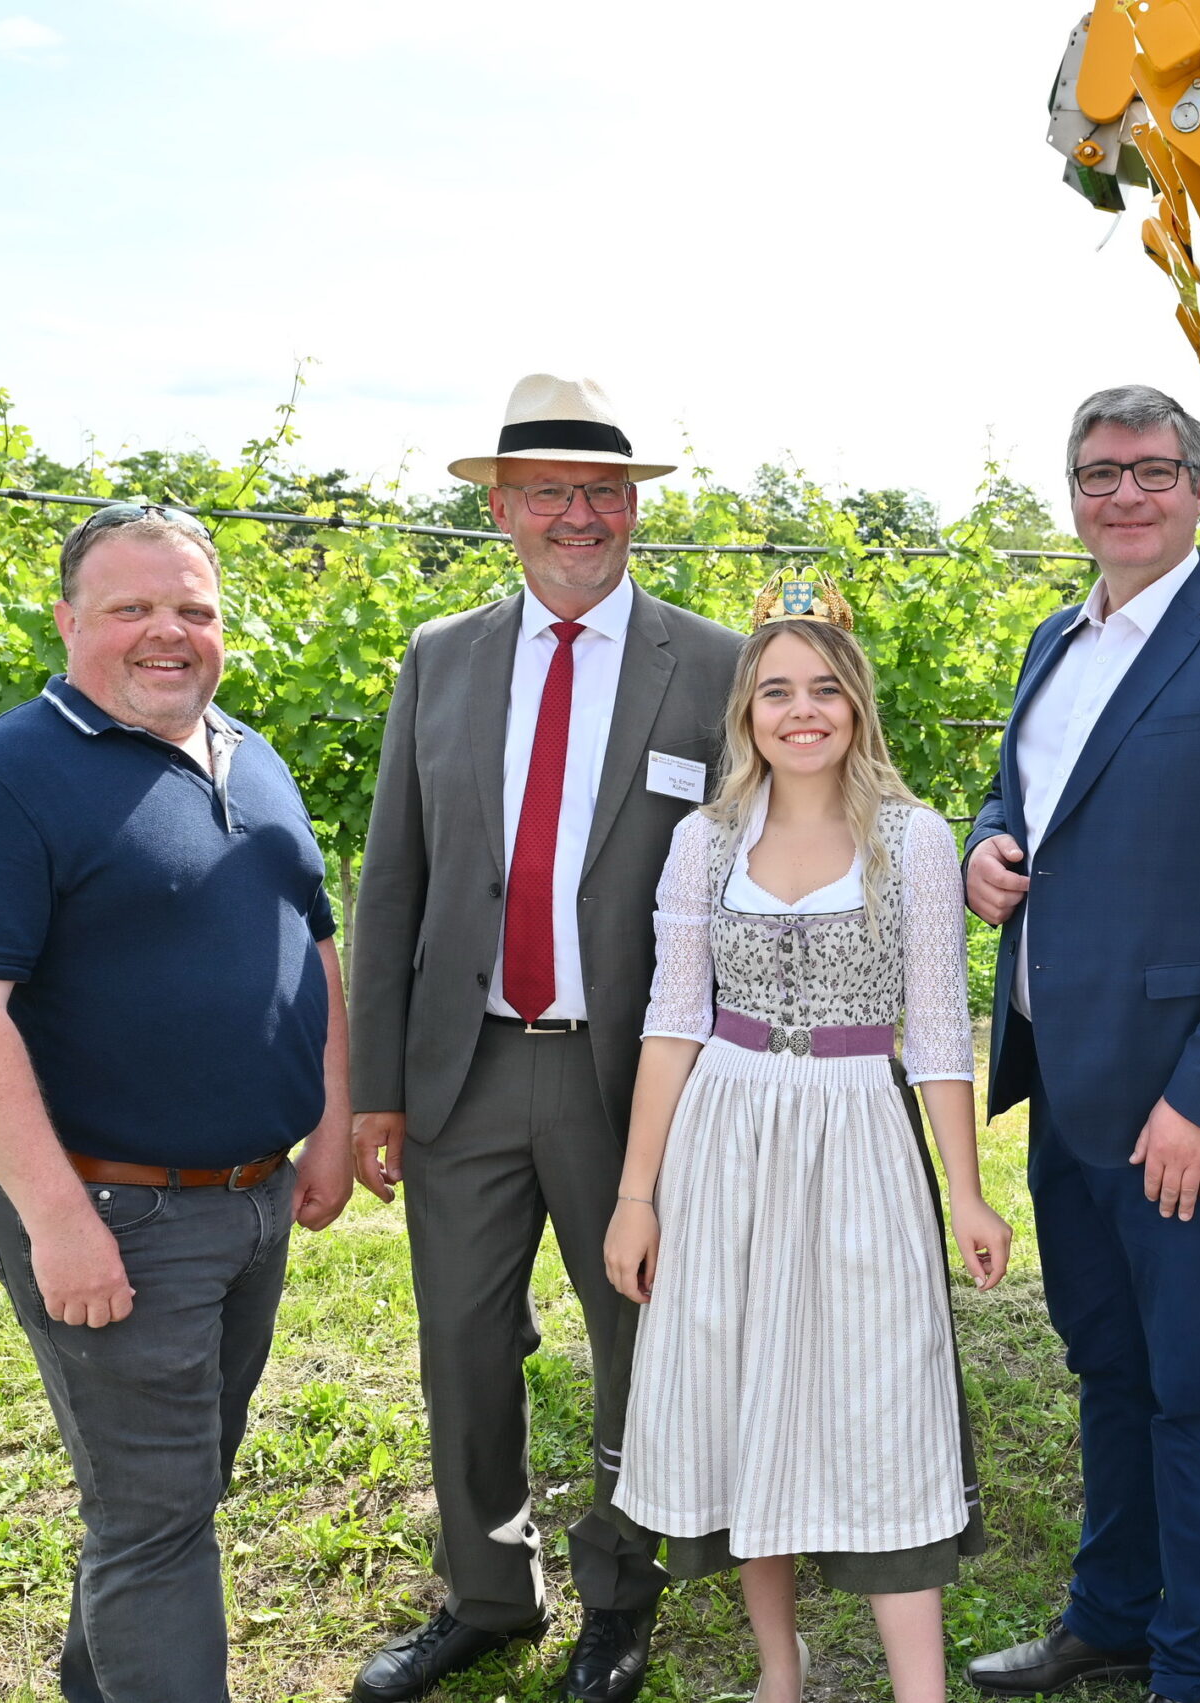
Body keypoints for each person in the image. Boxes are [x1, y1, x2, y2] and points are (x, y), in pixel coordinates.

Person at [0, 502, 353, 1703]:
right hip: (117, 1207)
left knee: (177, 1486)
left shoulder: (251, 754)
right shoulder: (1, 779)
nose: (169, 632)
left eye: (193, 608)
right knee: (156, 1515)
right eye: (132, 608)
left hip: (251, 1198)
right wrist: (59, 1216)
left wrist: (332, 1118)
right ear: (67, 621)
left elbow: (311, 942)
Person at [346, 375, 743, 1703]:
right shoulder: (438, 657)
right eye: (551, 493)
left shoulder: (717, 665)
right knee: (461, 1338)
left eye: (606, 491)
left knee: (633, 1333)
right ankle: (485, 1590)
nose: (582, 515)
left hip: (629, 1076)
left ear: (636, 508)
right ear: (501, 511)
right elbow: (391, 880)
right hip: (463, 1066)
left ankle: (621, 1596)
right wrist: (376, 1083)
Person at [960, 385, 1200, 1703]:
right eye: (1099, 473)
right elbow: (1022, 796)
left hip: (1186, 1106)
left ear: (1198, 486)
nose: (1125, 494)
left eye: (1153, 470)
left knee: (1198, 1385)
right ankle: (1113, 1613)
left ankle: (1196, 1667)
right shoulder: (1049, 641)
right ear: (1072, 492)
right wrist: (985, 848)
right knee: (1106, 1362)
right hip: (1061, 1082)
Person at [602, 591, 1011, 1703]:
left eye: (825, 687)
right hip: (725, 1129)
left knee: (881, 1394)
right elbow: (672, 1019)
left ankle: (917, 1693)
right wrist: (637, 1193)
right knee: (743, 1392)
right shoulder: (704, 839)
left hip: (854, 1124)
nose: (802, 709)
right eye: (778, 688)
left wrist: (967, 1196)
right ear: (748, 710)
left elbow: (933, 1029)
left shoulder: (914, 838)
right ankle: (780, 1676)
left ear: (856, 703)